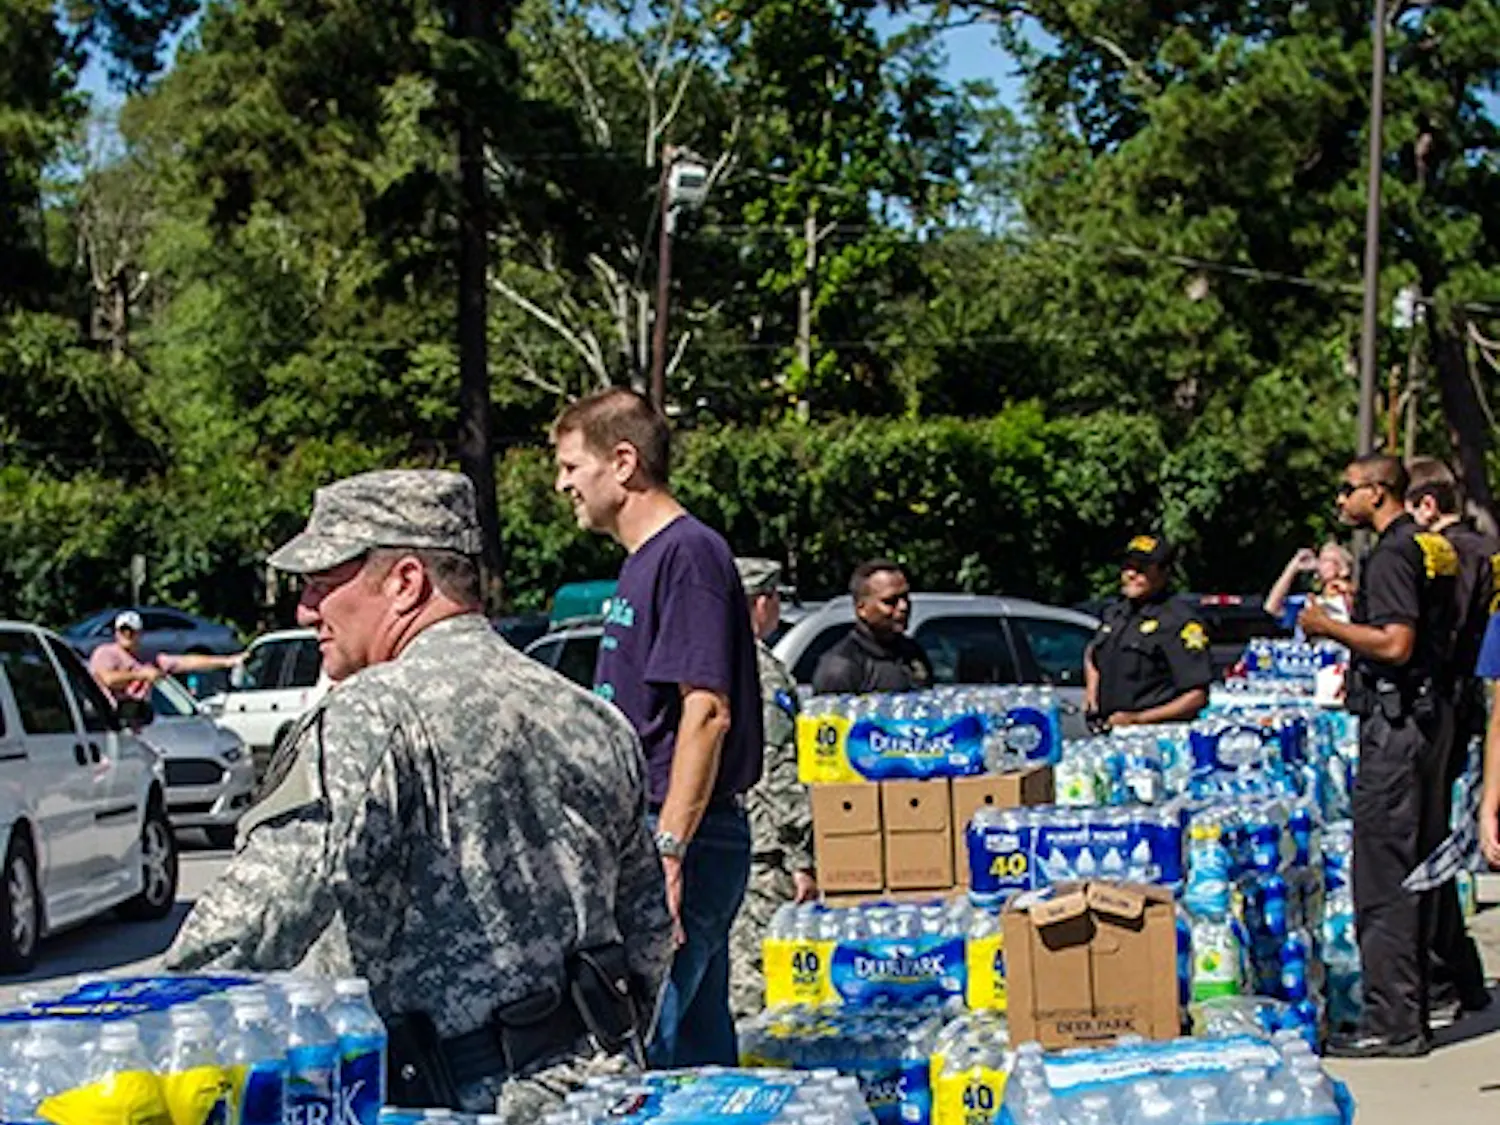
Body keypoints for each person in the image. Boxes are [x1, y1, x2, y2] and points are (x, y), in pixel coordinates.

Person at [164, 469, 672, 1122]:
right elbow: (650, 934)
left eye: (324, 581)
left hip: (444, 1099)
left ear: (405, 582)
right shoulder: (593, 717)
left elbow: (256, 916)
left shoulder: (370, 715)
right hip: (600, 1094)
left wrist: (131, 1031)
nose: (305, 609)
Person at [552, 388, 762, 1069]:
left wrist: (668, 850)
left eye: (571, 466)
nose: (562, 485)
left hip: (681, 834)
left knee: (653, 1043)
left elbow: (706, 711)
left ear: (623, 461)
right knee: (694, 1049)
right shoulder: (643, 560)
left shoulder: (688, 554)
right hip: (654, 831)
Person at [1301, 454, 1456, 1058]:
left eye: (1347, 490)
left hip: (1397, 726)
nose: (1340, 501)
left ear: (1377, 491)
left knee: (1382, 876)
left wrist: (1328, 626)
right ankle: (1426, 996)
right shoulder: (1430, 546)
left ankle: (1392, 1022)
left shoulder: (1393, 552)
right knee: (1418, 866)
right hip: (1430, 715)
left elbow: (1396, 641)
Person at [1403, 456, 1494, 1020]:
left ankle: (1445, 975)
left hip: (1454, 699)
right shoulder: (1487, 546)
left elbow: (1449, 629)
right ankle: (1462, 974)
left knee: (1434, 846)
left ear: (1427, 505)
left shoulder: (1453, 554)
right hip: (1471, 697)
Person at [728, 557, 817, 1018]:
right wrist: (801, 854)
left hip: (728, 838)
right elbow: (777, 766)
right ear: (761, 603)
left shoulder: (711, 659)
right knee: (756, 988)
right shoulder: (759, 671)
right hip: (764, 850)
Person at [1084, 534, 1212, 729]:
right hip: (1109, 733)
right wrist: (1092, 696)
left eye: (1142, 569)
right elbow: (1092, 654)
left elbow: (1196, 697)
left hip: (1155, 738)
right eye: (1127, 566)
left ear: (1164, 573)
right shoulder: (1115, 614)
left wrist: (1138, 719)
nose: (1131, 574)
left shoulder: (1178, 622)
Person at [811, 560, 933, 694]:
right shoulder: (841, 666)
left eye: (905, 597)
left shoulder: (911, 652)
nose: (903, 607)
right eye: (890, 601)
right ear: (861, 608)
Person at [88, 610, 244, 703]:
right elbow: (108, 679)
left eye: (132, 631)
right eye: (123, 630)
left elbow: (187, 662)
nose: (127, 635)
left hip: (139, 722)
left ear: (140, 633)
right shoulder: (105, 653)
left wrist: (227, 661)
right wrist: (141, 675)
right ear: (116, 632)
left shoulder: (149, 658)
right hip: (110, 723)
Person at [1263, 542, 1355, 638]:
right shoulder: (1309, 600)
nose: (1320, 563)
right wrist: (1293, 567)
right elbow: (1271, 607)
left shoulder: (1351, 598)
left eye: (1327, 560)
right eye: (1320, 559)